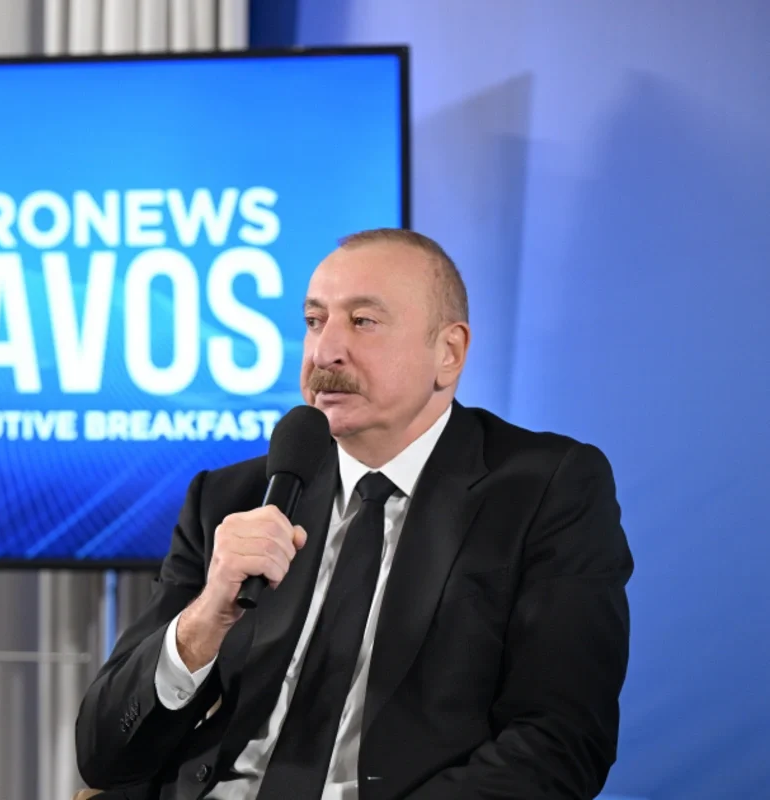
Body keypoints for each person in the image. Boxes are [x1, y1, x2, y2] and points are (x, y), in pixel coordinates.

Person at [75, 229, 633, 800]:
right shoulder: (233, 498)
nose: (325, 352)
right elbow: (103, 756)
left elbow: (560, 741)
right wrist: (204, 621)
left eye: (363, 321)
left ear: (449, 352)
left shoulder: (544, 490)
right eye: (314, 321)